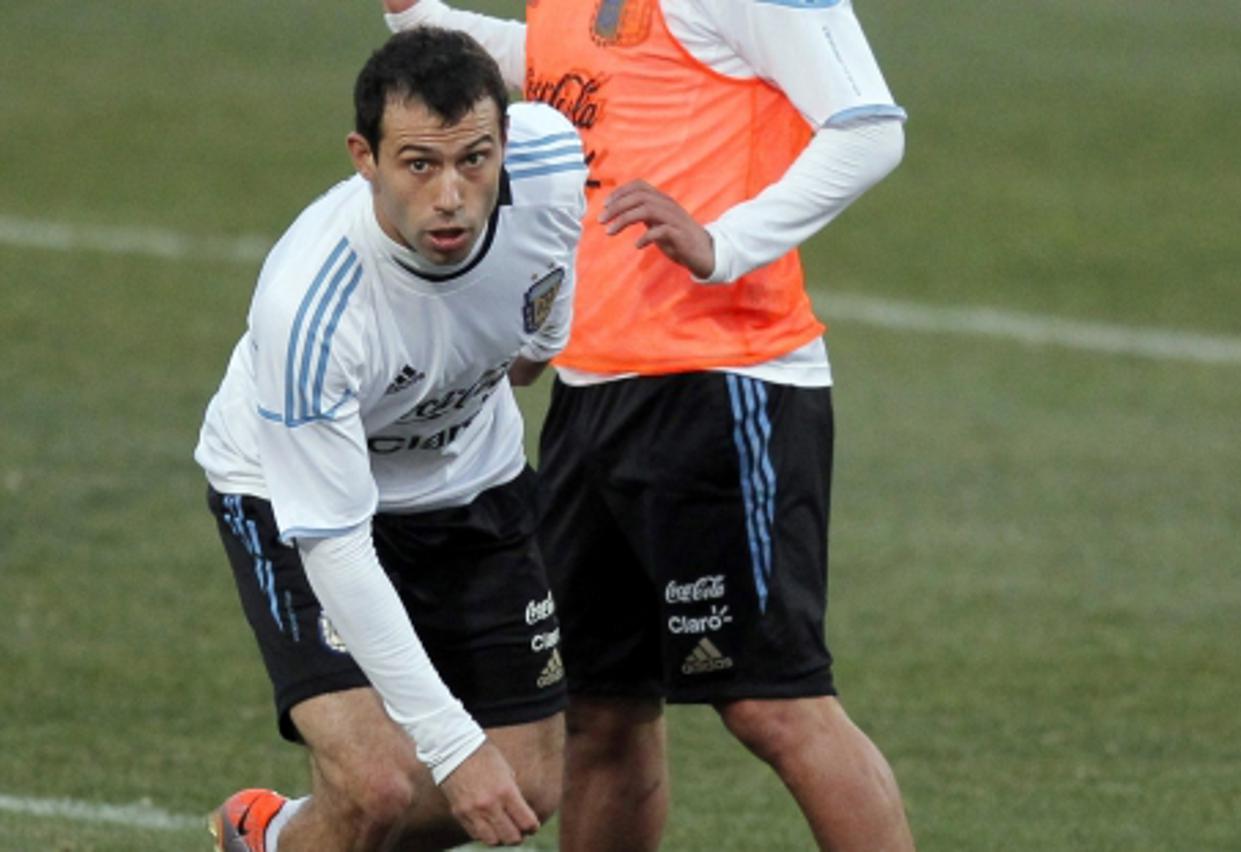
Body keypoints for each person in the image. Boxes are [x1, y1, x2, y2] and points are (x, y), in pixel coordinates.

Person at [384, 1, 915, 850]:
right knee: (598, 712)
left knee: (773, 705)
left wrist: (726, 242)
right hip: (592, 391)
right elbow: (567, 67)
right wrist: (420, 18)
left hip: (722, 382)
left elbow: (868, 129)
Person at [194, 26, 586, 851]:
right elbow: (336, 545)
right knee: (378, 786)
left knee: (529, 786)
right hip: (295, 500)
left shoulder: (550, 159)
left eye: (474, 160)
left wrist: (541, 342)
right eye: (419, 164)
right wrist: (450, 745)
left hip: (470, 482)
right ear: (363, 158)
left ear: (506, 144)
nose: (451, 195)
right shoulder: (313, 312)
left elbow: (550, 268)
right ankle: (276, 836)